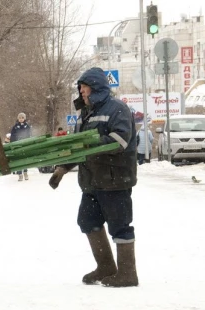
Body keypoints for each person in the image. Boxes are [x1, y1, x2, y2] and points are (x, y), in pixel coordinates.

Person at [48, 67, 138, 287]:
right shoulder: (84, 114)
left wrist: (91, 143)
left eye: (84, 87)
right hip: (91, 182)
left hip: (115, 180)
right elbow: (78, 147)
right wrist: (62, 168)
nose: (81, 92)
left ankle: (127, 273)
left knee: (119, 225)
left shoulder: (117, 109)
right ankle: (106, 266)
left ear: (96, 88)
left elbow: (120, 141)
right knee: (87, 221)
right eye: (80, 88)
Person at [10, 112, 32, 181]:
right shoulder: (15, 127)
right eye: (20, 118)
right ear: (18, 119)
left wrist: (28, 141)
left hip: (25, 144)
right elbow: (12, 135)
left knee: (25, 158)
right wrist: (14, 142)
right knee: (19, 159)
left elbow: (29, 134)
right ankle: (20, 174)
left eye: (22, 118)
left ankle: (25, 172)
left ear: (24, 118)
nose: (21, 119)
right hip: (17, 145)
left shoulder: (27, 126)